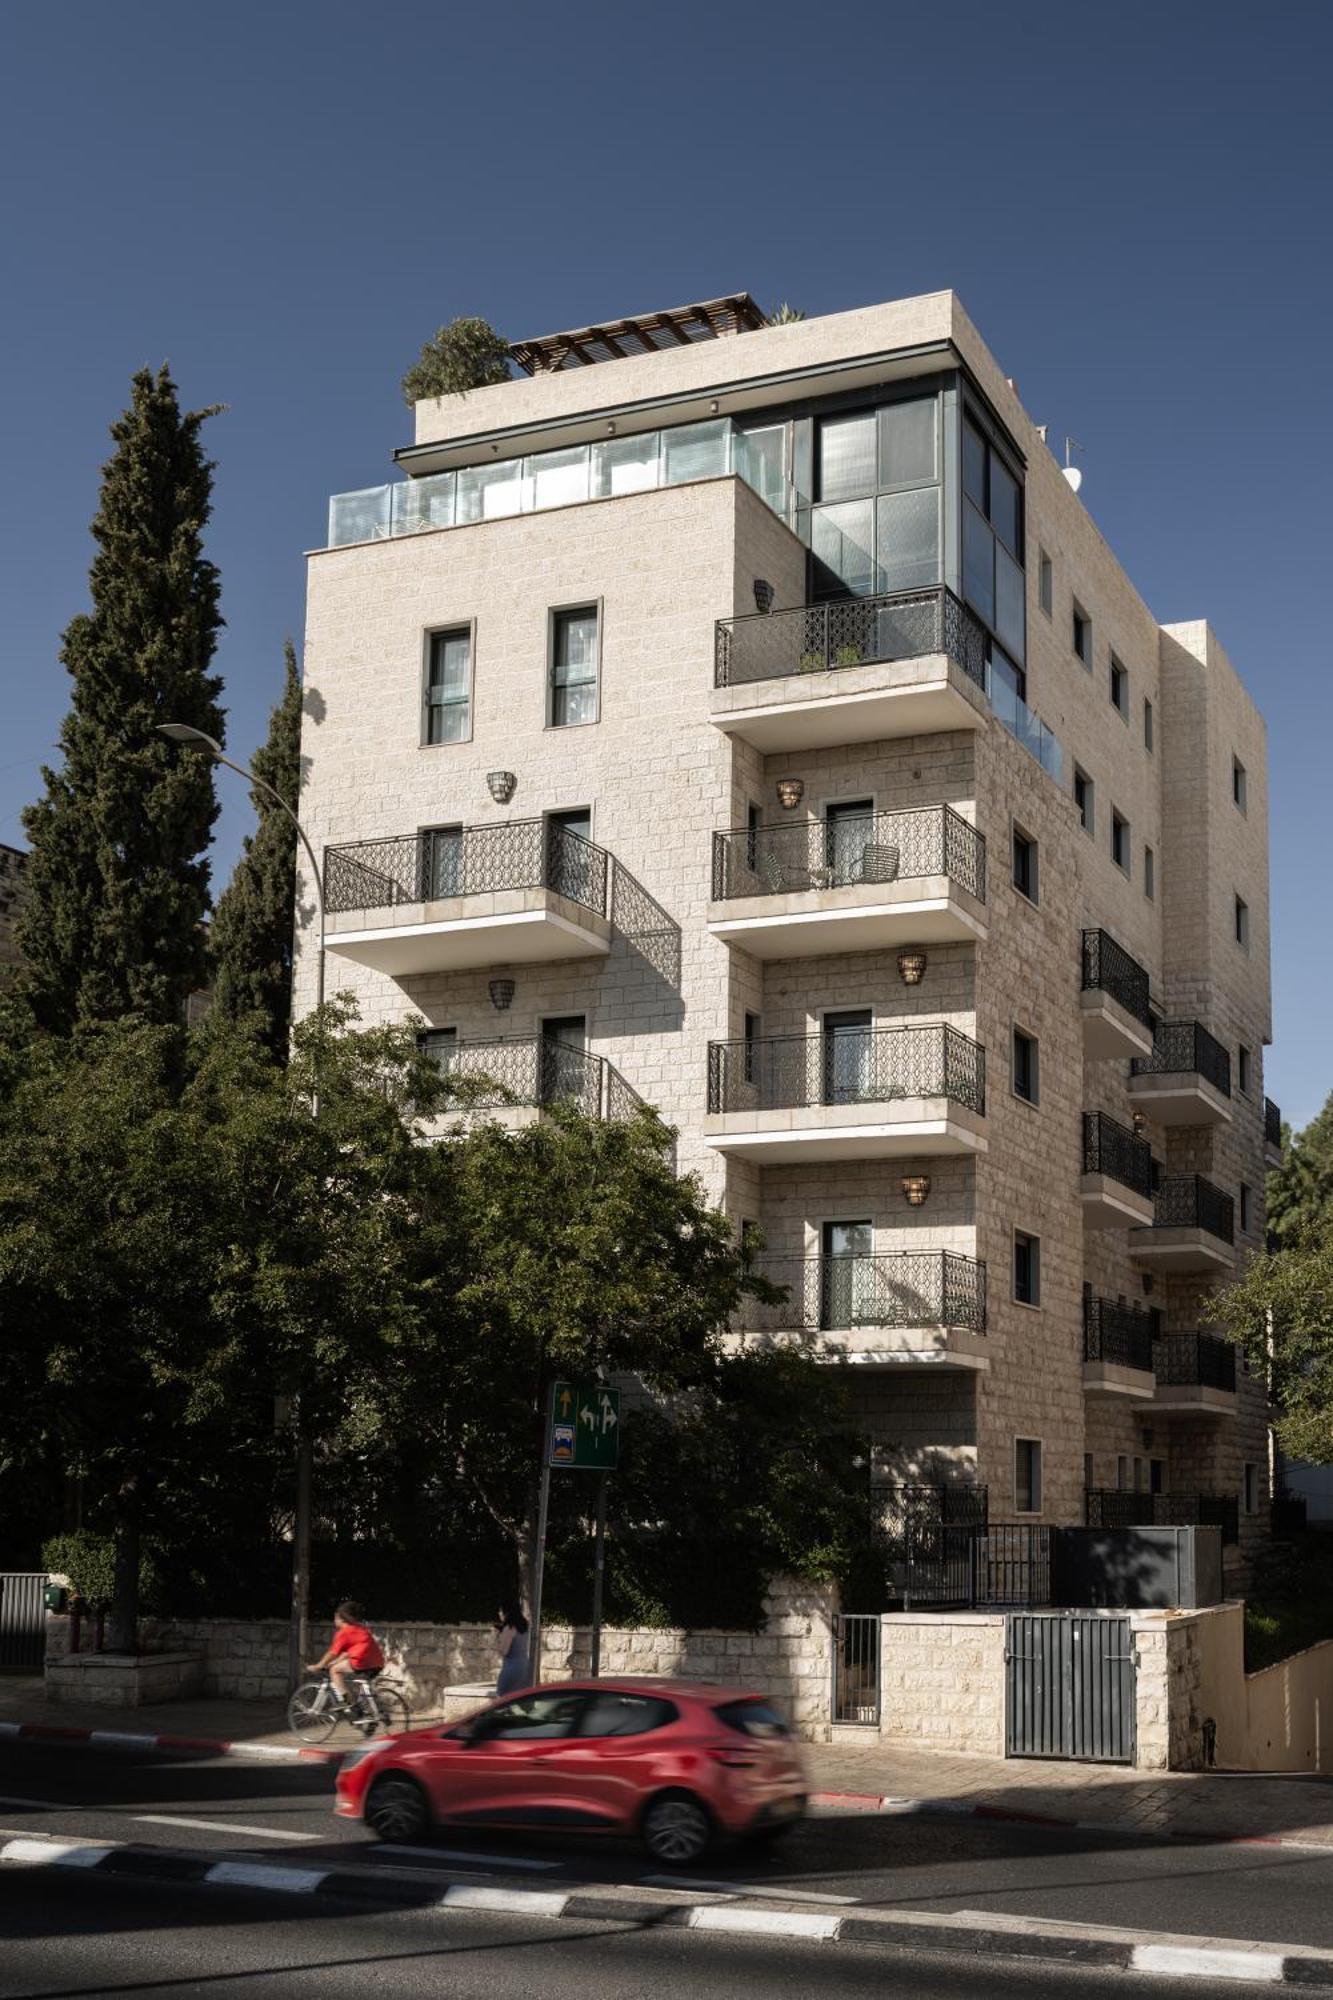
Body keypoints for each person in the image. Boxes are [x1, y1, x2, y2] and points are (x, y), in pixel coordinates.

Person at [308, 1600, 385, 1713]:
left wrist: (318, 1666)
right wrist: (335, 1662)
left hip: (363, 1662)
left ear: (341, 1619)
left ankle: (347, 1702)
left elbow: (332, 1653)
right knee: (362, 1691)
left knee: (334, 1671)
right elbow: (348, 1652)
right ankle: (368, 1715)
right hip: (377, 1662)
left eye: (335, 1618)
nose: (334, 1621)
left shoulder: (344, 1633)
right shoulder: (359, 1627)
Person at [494, 1603, 530, 1696]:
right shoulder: (524, 1627)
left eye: (501, 1611)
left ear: (507, 1613)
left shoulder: (509, 1628)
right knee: (522, 1701)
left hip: (511, 1669)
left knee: (502, 1700)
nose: (499, 1613)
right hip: (525, 1668)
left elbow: (504, 1651)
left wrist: (497, 1637)